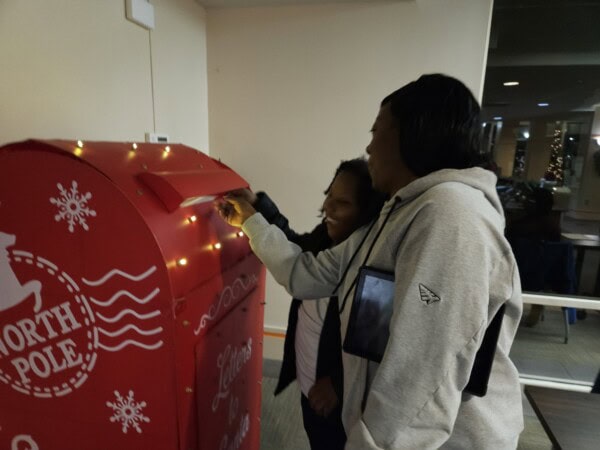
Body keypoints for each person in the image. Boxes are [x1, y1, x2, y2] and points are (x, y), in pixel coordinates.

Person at [218, 74, 524, 449]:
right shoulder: (397, 216)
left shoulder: (450, 214)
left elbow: (421, 373)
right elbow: (308, 274)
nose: (369, 145)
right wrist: (251, 220)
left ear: (411, 134)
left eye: (376, 130)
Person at [235, 158, 385, 450]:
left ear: (367, 213)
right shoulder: (326, 237)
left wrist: (338, 385)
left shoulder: (371, 263)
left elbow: (375, 338)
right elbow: (294, 249)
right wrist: (258, 205)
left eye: (342, 203)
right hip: (309, 375)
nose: (328, 208)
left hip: (335, 395)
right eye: (329, 196)